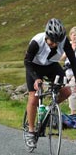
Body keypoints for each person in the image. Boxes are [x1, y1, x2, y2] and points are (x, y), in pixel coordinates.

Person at [24, 18, 76, 148]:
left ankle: (49, 108)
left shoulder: (62, 41)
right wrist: (36, 78)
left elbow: (73, 60)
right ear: (47, 36)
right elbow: (27, 62)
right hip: (34, 66)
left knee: (67, 91)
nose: (55, 45)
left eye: (57, 42)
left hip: (51, 65)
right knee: (33, 97)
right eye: (52, 41)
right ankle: (31, 131)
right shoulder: (37, 41)